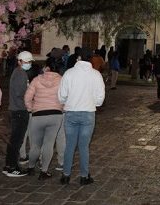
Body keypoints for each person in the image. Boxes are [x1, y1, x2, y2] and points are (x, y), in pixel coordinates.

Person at [57, 50, 105, 185]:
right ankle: (84, 176)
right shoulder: (96, 75)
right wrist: (93, 103)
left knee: (70, 145)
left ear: (78, 58)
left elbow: (61, 96)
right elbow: (100, 98)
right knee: (84, 146)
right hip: (88, 113)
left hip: (71, 112)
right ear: (90, 59)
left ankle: (65, 175)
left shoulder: (69, 73)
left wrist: (69, 101)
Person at [24, 58, 64, 180]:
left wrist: (31, 109)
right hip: (55, 115)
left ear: (47, 67)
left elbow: (27, 97)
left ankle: (31, 167)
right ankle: (44, 171)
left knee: (35, 145)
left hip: (38, 115)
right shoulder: (62, 81)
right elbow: (65, 97)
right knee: (49, 144)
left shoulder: (36, 79)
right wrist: (61, 108)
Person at [3, 51, 34, 177]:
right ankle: (12, 167)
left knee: (14, 140)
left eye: (30, 62)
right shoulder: (20, 74)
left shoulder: (19, 72)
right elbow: (19, 94)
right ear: (19, 61)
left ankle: (9, 165)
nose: (29, 64)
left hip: (17, 109)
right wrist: (29, 101)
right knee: (17, 141)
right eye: (26, 62)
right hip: (19, 110)